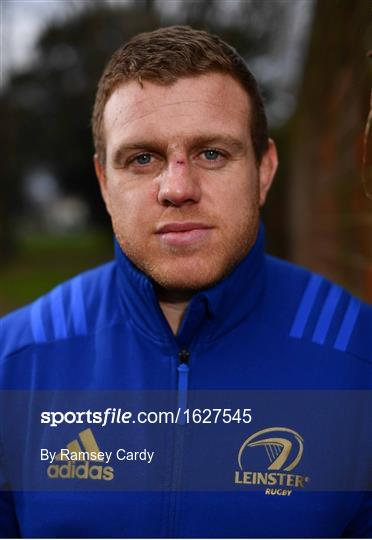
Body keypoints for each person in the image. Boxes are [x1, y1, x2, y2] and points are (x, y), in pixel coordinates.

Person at [0, 26, 371, 538]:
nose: (177, 187)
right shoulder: (17, 360)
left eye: (212, 154)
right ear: (105, 184)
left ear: (264, 171)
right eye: (142, 158)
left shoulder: (358, 355)